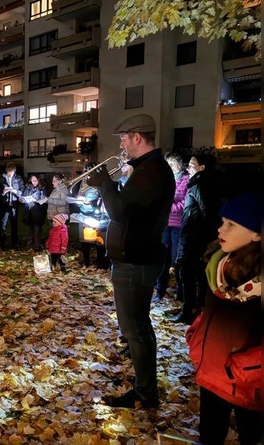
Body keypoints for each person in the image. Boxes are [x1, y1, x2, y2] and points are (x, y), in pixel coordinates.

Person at [87, 113, 175, 409]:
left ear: (138, 137)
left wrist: (103, 184)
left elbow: (122, 212)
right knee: (137, 327)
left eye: (124, 137)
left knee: (134, 329)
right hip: (133, 259)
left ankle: (145, 393)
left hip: (136, 262)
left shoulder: (153, 171)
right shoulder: (146, 169)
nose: (122, 144)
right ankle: (145, 386)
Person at [186, 192, 261, 444]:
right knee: (209, 435)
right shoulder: (219, 266)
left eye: (232, 224)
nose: (221, 229)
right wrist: (197, 333)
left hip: (249, 383)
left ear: (258, 234)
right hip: (213, 372)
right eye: (223, 221)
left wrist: (241, 368)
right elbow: (211, 313)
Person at [173, 153, 223, 323]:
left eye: (191, 164)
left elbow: (207, 213)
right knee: (193, 274)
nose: (188, 167)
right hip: (194, 236)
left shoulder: (199, 186)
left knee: (188, 274)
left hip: (194, 238)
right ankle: (196, 309)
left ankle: (189, 311)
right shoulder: (199, 184)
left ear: (202, 168)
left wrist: (198, 233)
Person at [153, 153, 190, 302]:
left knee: (177, 261)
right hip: (165, 224)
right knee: (162, 259)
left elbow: (185, 204)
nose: (169, 167)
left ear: (178, 165)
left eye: (172, 164)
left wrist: (168, 206)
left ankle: (181, 293)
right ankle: (160, 290)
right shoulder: (166, 180)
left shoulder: (186, 180)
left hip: (178, 225)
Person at [0, 162, 25, 250]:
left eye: (11, 173)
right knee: (3, 225)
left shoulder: (18, 179)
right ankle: (2, 243)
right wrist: (2, 192)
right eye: (8, 172)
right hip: (4, 204)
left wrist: (16, 192)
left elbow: (22, 189)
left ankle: (14, 243)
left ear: (14, 171)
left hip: (14, 205)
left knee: (14, 225)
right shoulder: (1, 179)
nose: (9, 174)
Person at [20, 174, 47, 252]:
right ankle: (29, 245)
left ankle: (37, 245)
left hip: (38, 211)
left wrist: (39, 201)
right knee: (29, 229)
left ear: (38, 180)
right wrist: (22, 199)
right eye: (32, 180)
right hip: (28, 211)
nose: (34, 182)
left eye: (35, 180)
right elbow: (24, 196)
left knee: (37, 229)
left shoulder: (42, 188)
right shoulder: (27, 187)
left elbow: (44, 199)